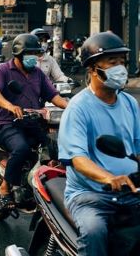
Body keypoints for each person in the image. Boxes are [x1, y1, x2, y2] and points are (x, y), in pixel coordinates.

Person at [58, 32, 140, 256]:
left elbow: (137, 148)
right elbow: (78, 160)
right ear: (93, 69)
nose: (120, 68)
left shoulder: (129, 103)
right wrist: (109, 177)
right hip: (90, 195)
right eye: (113, 63)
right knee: (95, 231)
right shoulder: (79, 107)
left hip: (131, 190)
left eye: (122, 62)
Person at [0, 33, 68, 206]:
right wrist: (10, 106)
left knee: (55, 147)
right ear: (18, 54)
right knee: (22, 148)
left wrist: (72, 108)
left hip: (32, 122)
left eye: (36, 54)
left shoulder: (38, 74)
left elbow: (53, 96)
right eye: (29, 54)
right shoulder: (3, 70)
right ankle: (5, 186)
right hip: (8, 124)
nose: (34, 58)